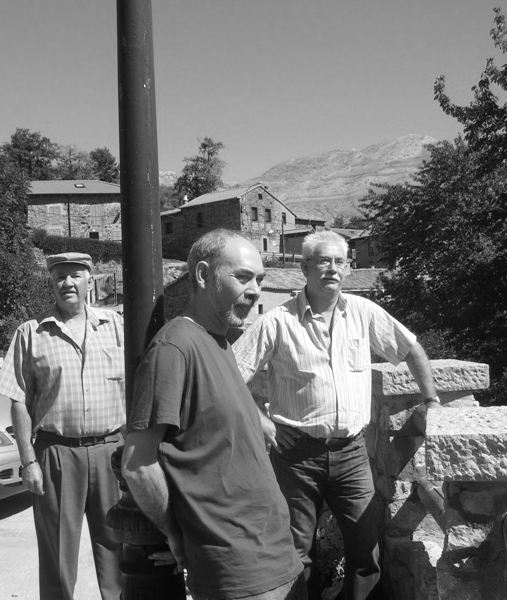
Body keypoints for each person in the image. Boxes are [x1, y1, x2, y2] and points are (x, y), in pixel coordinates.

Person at [232, 229, 440, 600]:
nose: (332, 268)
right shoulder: (277, 322)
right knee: (297, 551)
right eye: (323, 261)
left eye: (339, 261)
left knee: (365, 549)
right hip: (295, 456)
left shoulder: (363, 312)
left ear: (348, 268)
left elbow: (410, 348)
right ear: (305, 267)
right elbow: (229, 374)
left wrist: (432, 400)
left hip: (352, 453)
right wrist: (261, 420)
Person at [122, 229, 306, 600]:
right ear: (204, 275)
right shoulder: (174, 348)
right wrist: (176, 534)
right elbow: (137, 463)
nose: (255, 291)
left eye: (260, 280)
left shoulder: (219, 341)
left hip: (274, 555)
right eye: (243, 277)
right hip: (238, 570)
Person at [0, 252, 124, 600]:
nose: (68, 283)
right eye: (60, 276)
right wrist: (28, 461)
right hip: (56, 455)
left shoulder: (116, 326)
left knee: (119, 549)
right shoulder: (32, 333)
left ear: (89, 280)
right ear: (51, 282)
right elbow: (18, 399)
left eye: (75, 275)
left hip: (112, 453)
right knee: (58, 556)